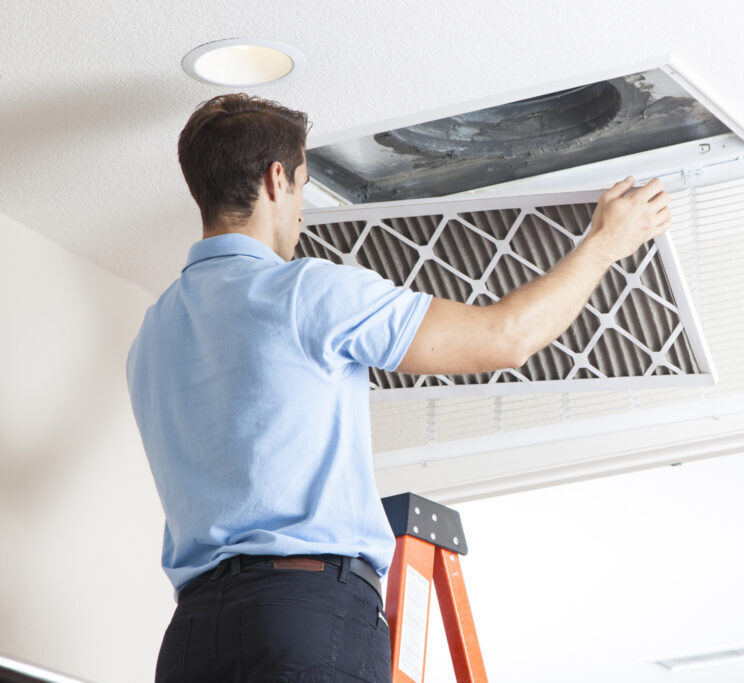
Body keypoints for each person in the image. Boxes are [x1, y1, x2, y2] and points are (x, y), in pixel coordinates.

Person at [127, 93, 671, 682]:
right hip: (302, 617)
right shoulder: (309, 291)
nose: (303, 213)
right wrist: (603, 247)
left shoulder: (152, 335)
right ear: (276, 179)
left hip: (190, 641)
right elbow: (504, 337)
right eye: (304, 186)